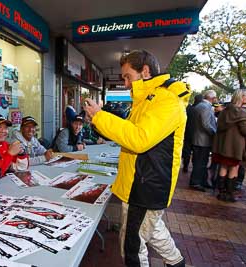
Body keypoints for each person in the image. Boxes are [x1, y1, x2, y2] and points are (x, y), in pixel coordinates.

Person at [83, 50, 189, 267]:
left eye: (127, 76)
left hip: (145, 187)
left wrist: (101, 116)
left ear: (145, 72)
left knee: (133, 245)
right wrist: (97, 121)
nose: (125, 83)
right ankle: (176, 262)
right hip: (139, 183)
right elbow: (128, 132)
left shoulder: (166, 101)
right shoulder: (147, 99)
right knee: (152, 228)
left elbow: (139, 139)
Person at [212, 90, 246, 202]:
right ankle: (229, 194)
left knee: (223, 167)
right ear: (241, 97)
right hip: (235, 148)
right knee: (234, 168)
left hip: (223, 147)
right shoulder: (242, 113)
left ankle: (221, 193)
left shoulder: (224, 111)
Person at [189, 90, 217, 191]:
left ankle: (202, 181)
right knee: (200, 162)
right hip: (203, 140)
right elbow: (206, 124)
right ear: (212, 98)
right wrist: (214, 133)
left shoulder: (199, 106)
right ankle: (196, 182)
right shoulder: (206, 107)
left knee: (200, 161)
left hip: (198, 138)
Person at [182, 94, 203, 173]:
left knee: (186, 150)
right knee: (193, 151)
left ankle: (186, 165)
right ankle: (189, 166)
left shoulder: (188, 108)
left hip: (186, 132)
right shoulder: (196, 109)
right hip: (194, 133)